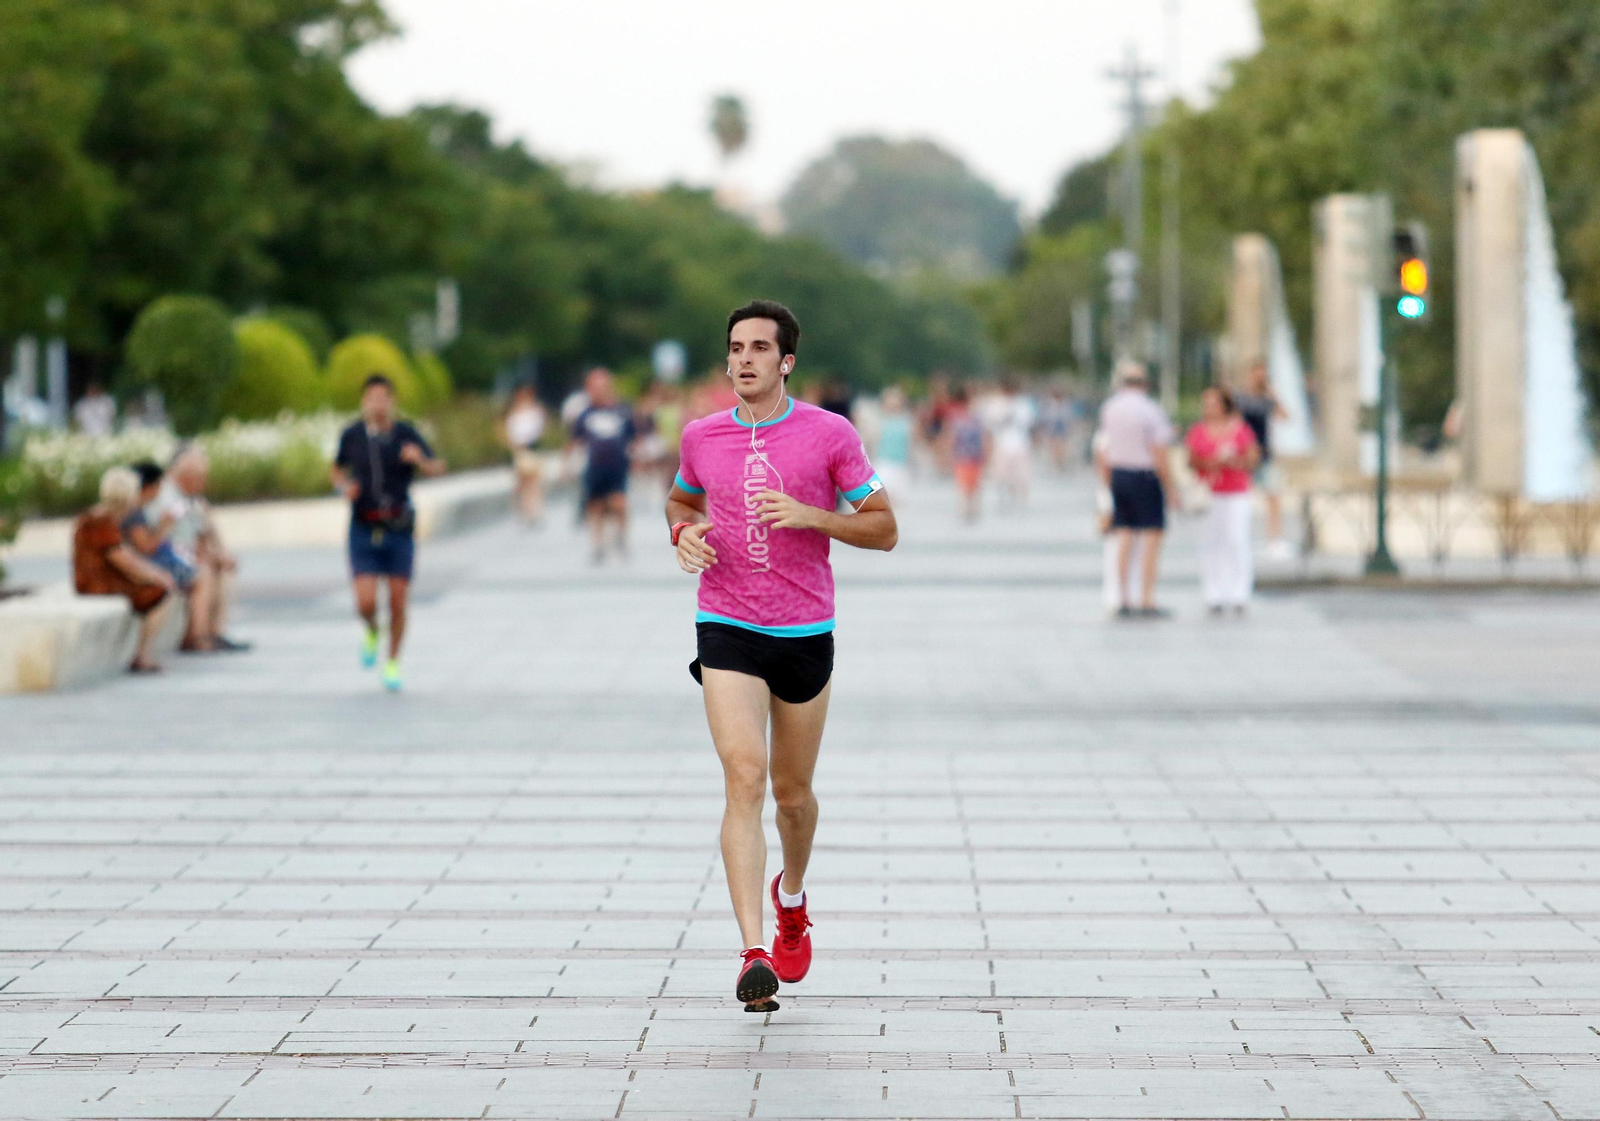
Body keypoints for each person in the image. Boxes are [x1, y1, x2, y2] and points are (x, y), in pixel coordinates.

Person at [666, 299, 896, 1012]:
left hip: (803, 630)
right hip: (726, 620)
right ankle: (753, 950)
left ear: (786, 360)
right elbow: (679, 501)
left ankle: (791, 896)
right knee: (745, 775)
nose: (744, 359)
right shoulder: (702, 435)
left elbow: (884, 528)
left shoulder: (828, 434)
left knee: (792, 796)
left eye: (760, 348)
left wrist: (813, 516)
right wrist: (684, 535)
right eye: (736, 347)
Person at [331, 374, 446, 692]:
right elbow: (336, 468)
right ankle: (370, 630)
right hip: (363, 526)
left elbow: (438, 467)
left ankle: (393, 661)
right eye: (372, 398)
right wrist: (343, 487)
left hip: (398, 526)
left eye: (384, 398)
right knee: (365, 601)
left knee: (397, 600)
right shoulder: (352, 435)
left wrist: (420, 460)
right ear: (363, 401)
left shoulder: (406, 433)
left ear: (392, 401)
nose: (378, 404)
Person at [74, 467, 176, 673]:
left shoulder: (105, 517)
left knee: (159, 585)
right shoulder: (99, 520)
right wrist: (154, 575)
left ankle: (142, 653)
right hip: (97, 583)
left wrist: (153, 572)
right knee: (159, 593)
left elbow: (123, 554)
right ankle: (142, 655)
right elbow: (121, 558)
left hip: (105, 578)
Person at [146, 447, 249, 652]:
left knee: (218, 567)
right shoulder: (168, 497)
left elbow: (204, 531)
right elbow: (165, 539)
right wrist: (209, 555)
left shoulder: (190, 497)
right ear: (186, 476)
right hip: (163, 556)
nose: (205, 482)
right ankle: (197, 636)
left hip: (183, 554)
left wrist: (219, 553)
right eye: (201, 477)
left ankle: (214, 632)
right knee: (204, 571)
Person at [1099, 361, 1175, 618]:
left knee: (1125, 536)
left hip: (1119, 474)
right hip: (1144, 475)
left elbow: (1104, 447)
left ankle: (1123, 597)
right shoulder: (1150, 410)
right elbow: (1159, 452)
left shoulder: (1110, 408)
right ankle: (1146, 598)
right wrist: (1171, 488)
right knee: (1151, 538)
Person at [1187, 386, 1260, 614]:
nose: (1208, 408)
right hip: (1210, 493)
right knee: (1211, 543)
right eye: (1205, 404)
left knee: (1237, 540)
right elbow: (1191, 460)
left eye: (1213, 403)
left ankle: (1239, 591)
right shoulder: (1199, 430)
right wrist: (1212, 462)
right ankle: (1214, 592)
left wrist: (1235, 462)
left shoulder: (1240, 429)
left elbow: (1253, 458)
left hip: (1236, 492)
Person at [568, 368, 638, 564]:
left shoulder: (622, 410)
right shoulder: (586, 414)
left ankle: (621, 537)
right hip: (595, 465)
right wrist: (569, 465)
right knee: (595, 505)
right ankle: (597, 543)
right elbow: (575, 439)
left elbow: (633, 437)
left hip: (617, 465)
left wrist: (636, 457)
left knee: (619, 502)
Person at [1233, 360, 1292, 560]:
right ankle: (1239, 540)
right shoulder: (1240, 398)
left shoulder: (1267, 398)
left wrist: (1274, 396)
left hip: (1265, 454)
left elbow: (1285, 416)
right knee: (1240, 499)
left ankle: (1274, 540)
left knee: (1273, 497)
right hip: (1243, 456)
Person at [988, 376, 1036, 509]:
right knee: (1002, 475)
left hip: (1020, 444)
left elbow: (1029, 421)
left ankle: (1020, 500)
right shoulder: (996, 403)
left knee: (1021, 476)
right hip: (1002, 444)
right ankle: (1004, 498)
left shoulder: (1023, 403)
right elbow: (991, 422)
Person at [503, 384, 547, 526]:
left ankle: (533, 511)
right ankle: (525, 509)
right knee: (522, 483)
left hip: (531, 449)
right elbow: (511, 431)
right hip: (520, 450)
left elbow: (538, 429)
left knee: (534, 483)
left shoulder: (535, 411)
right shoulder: (514, 413)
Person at [948, 386, 988, 523]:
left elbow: (983, 436)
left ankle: (971, 509)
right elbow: (952, 437)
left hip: (972, 455)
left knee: (972, 485)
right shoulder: (958, 417)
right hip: (964, 455)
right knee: (965, 485)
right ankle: (967, 509)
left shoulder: (974, 417)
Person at [874, 387, 914, 498]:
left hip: (900, 463)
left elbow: (910, 442)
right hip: (884, 462)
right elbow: (874, 441)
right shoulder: (880, 420)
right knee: (883, 495)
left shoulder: (907, 420)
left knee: (898, 497)